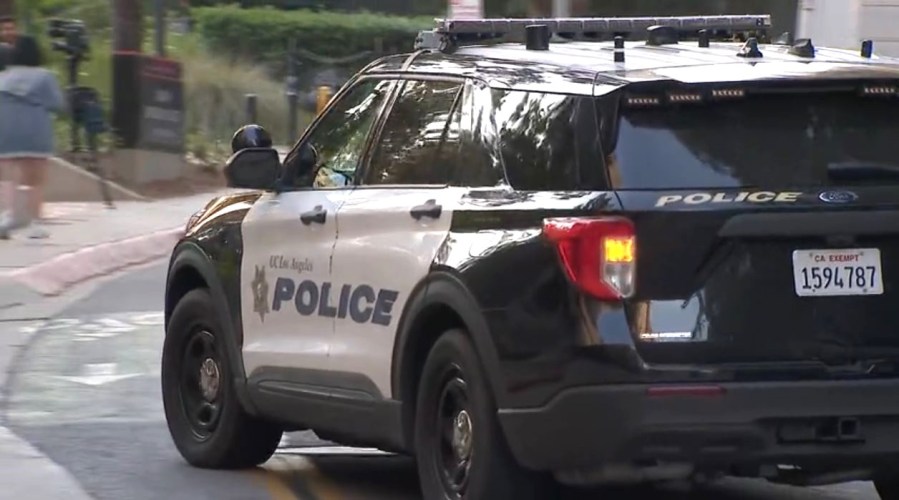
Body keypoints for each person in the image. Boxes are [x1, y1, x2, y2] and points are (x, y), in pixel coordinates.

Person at [0, 35, 65, 239]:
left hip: (5, 130)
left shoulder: (3, 77)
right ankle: (35, 224)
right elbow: (57, 104)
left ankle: (8, 216)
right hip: (36, 131)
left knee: (7, 177)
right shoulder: (45, 76)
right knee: (34, 180)